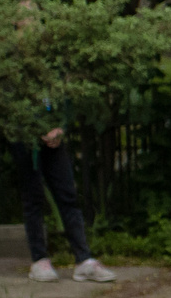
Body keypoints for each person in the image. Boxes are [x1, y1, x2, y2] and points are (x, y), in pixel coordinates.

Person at [14, 106, 116, 284]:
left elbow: (64, 101)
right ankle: (39, 260)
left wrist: (60, 128)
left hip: (55, 141)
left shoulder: (57, 79)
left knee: (68, 196)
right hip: (25, 139)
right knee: (33, 198)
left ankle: (83, 260)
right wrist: (37, 131)